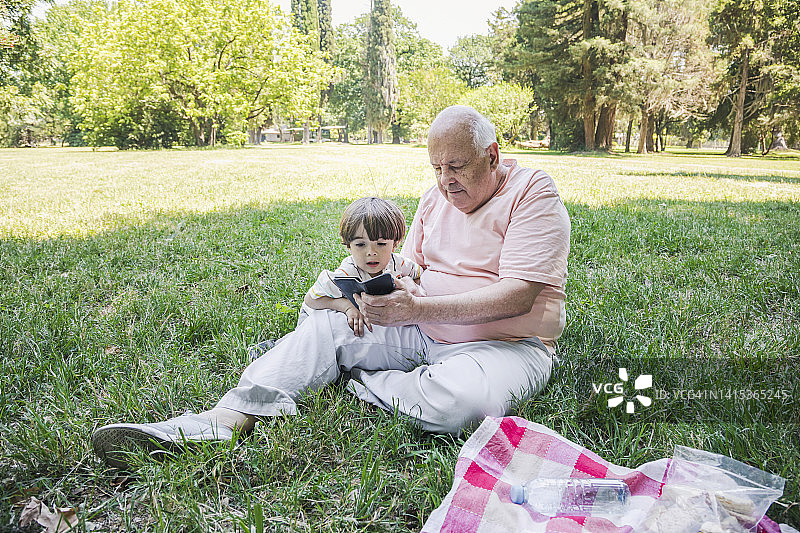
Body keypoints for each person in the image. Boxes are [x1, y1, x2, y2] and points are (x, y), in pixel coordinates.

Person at [92, 105, 571, 469]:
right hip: (422, 328)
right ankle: (221, 423)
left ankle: (358, 378)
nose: (445, 182)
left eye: (457, 167)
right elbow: (416, 265)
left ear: (492, 155)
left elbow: (519, 295)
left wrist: (417, 311)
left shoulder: (532, 194)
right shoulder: (435, 196)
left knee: (460, 405)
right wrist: (383, 291)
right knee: (326, 325)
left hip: (506, 345)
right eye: (436, 168)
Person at [298, 196, 423, 336]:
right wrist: (347, 307)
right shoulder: (346, 273)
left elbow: (418, 274)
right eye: (360, 245)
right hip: (315, 324)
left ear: (394, 244)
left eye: (381, 244)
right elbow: (311, 299)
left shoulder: (398, 263)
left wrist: (411, 286)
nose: (371, 252)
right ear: (349, 246)